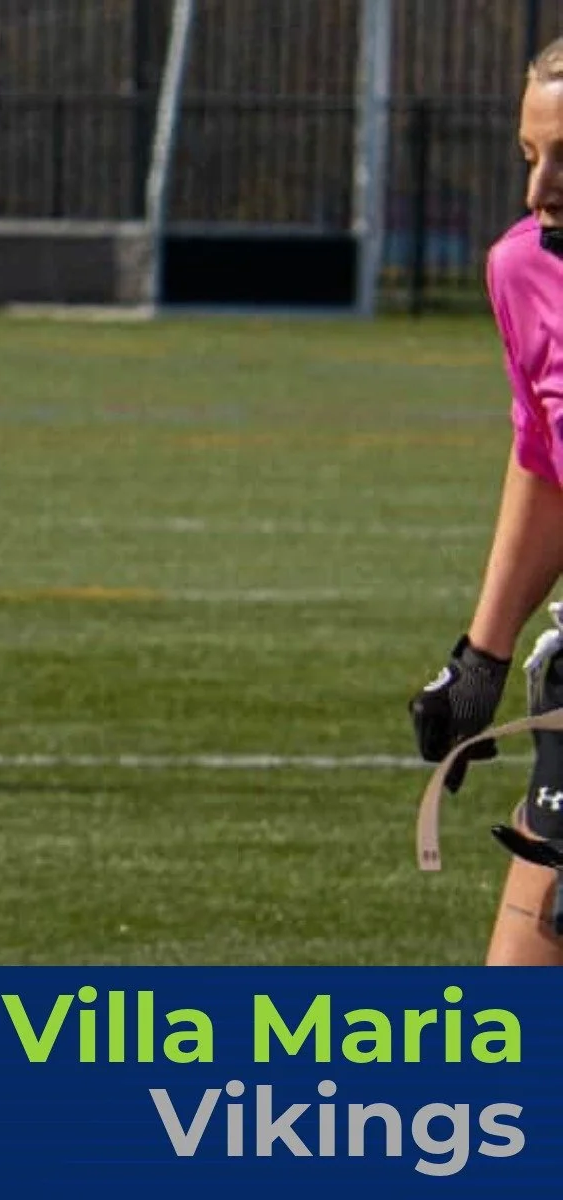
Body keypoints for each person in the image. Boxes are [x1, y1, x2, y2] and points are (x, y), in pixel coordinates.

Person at [409, 35, 563, 966]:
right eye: (529, 156)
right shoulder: (526, 268)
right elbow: (546, 462)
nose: (539, 192)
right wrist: (482, 660)